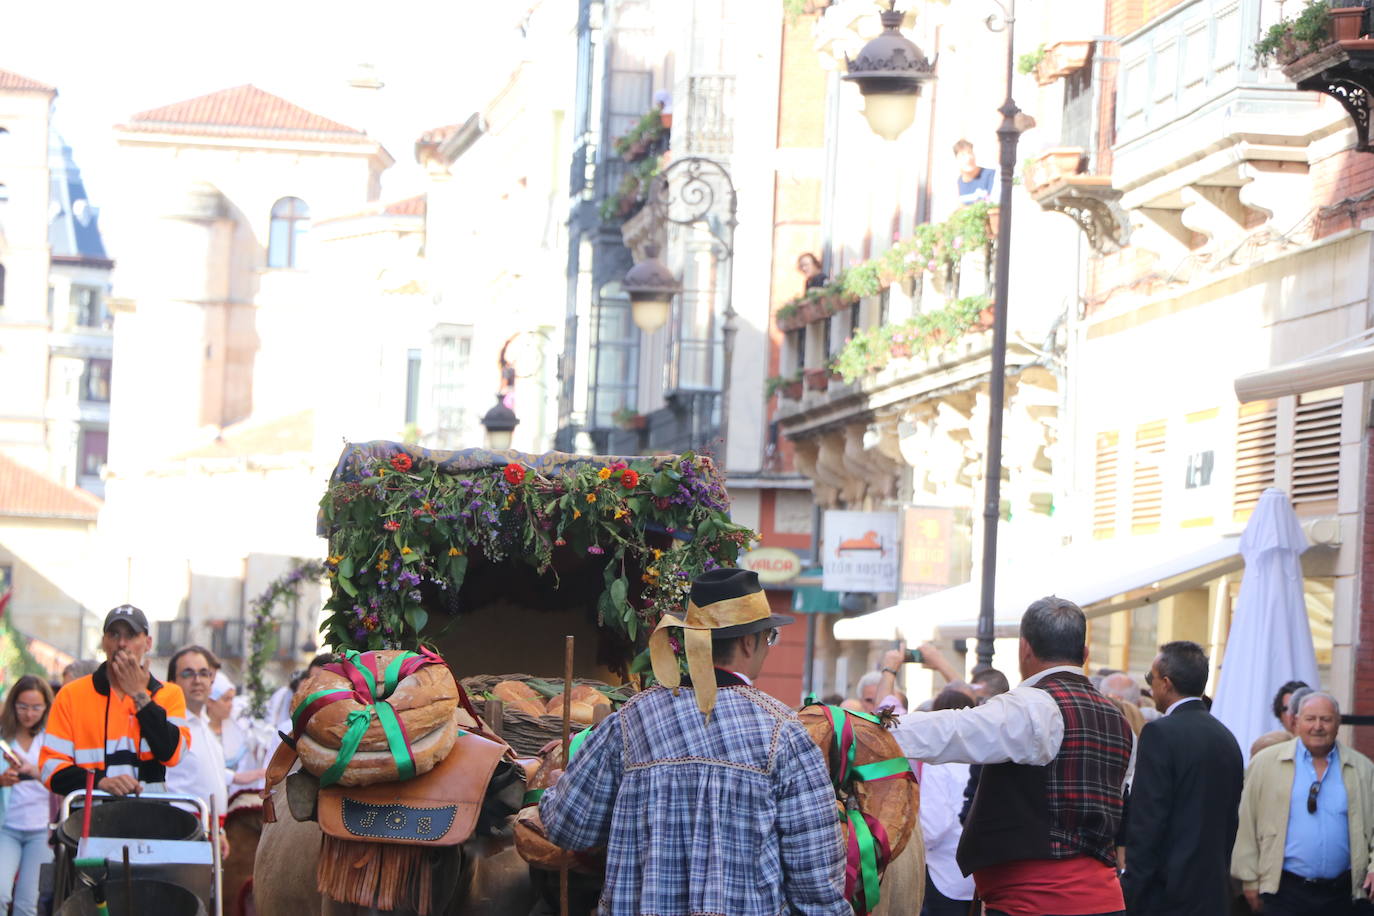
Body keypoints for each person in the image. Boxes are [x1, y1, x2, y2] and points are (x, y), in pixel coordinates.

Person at [540, 568, 848, 915]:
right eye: (770, 636)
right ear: (750, 641)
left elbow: (569, 828)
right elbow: (817, 883)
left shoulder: (629, 720)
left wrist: (556, 787)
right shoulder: (784, 733)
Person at [887, 596, 1134, 916]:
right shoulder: (1120, 721)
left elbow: (951, 730)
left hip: (1037, 905)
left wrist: (866, 728)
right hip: (1106, 902)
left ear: (1024, 648)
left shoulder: (1032, 707)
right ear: (1085, 654)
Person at [1122, 641, 1243, 916]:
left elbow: (1147, 822)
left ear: (1166, 683)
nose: (1149, 686)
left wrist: (1132, 892)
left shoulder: (1159, 734)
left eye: (1149, 678)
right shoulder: (1226, 737)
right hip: (1213, 893)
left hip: (1165, 896)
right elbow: (1229, 823)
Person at [1232, 691, 1374, 915]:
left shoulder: (1362, 769)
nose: (1318, 726)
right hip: (1284, 891)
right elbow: (1247, 824)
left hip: (1344, 894)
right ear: (1296, 722)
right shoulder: (1265, 763)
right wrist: (1249, 880)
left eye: (1326, 719)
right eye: (1310, 719)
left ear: (1338, 724)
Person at [40, 605, 188, 797]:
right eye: (114, 635)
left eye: (132, 635)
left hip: (150, 819)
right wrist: (100, 781)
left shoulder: (169, 694)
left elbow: (172, 754)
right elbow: (50, 769)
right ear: (104, 642)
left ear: (148, 643)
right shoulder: (71, 695)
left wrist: (139, 695)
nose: (122, 643)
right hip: (88, 820)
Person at [920, 688, 977, 916]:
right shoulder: (984, 757)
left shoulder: (938, 763)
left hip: (944, 874)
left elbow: (933, 827)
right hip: (978, 876)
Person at [0, 676, 53, 916]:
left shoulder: (51, 739)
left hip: (41, 830)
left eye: (35, 707)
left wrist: (35, 772)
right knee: (1, 893)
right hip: (6, 827)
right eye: (22, 706)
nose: (29, 714)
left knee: (27, 903)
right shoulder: (4, 738)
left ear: (45, 708)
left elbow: (65, 780)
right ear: (13, 705)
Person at [165, 646, 230, 818]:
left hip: (212, 828)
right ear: (172, 683)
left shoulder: (205, 725)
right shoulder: (167, 726)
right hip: (182, 827)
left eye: (203, 673)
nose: (197, 680)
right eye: (187, 674)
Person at [1251, 679, 1311, 758]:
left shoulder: (1323, 749)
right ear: (1280, 714)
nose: (1293, 714)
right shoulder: (1267, 747)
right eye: (1287, 709)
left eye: (1298, 707)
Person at [954, 139, 996, 205]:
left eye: (970, 153)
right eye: (963, 155)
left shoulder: (990, 175)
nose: (968, 158)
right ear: (957, 160)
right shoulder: (959, 182)